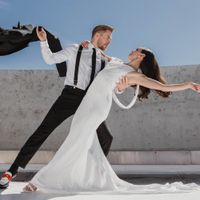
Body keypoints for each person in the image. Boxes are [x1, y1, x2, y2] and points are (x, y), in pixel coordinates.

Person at [23, 48, 200, 193]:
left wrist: (189, 85)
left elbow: (162, 87)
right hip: (86, 106)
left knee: (73, 143)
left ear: (142, 56)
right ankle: (90, 178)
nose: (132, 50)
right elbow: (100, 55)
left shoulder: (134, 75)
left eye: (136, 49)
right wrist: (86, 46)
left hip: (96, 108)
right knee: (80, 144)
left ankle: (41, 181)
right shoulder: (117, 63)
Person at [0, 25, 116, 189]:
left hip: (89, 101)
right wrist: (43, 42)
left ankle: (93, 175)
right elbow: (50, 59)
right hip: (69, 97)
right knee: (42, 131)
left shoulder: (105, 59)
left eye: (111, 38)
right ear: (97, 35)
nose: (110, 41)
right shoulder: (76, 49)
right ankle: (12, 171)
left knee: (106, 137)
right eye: (108, 37)